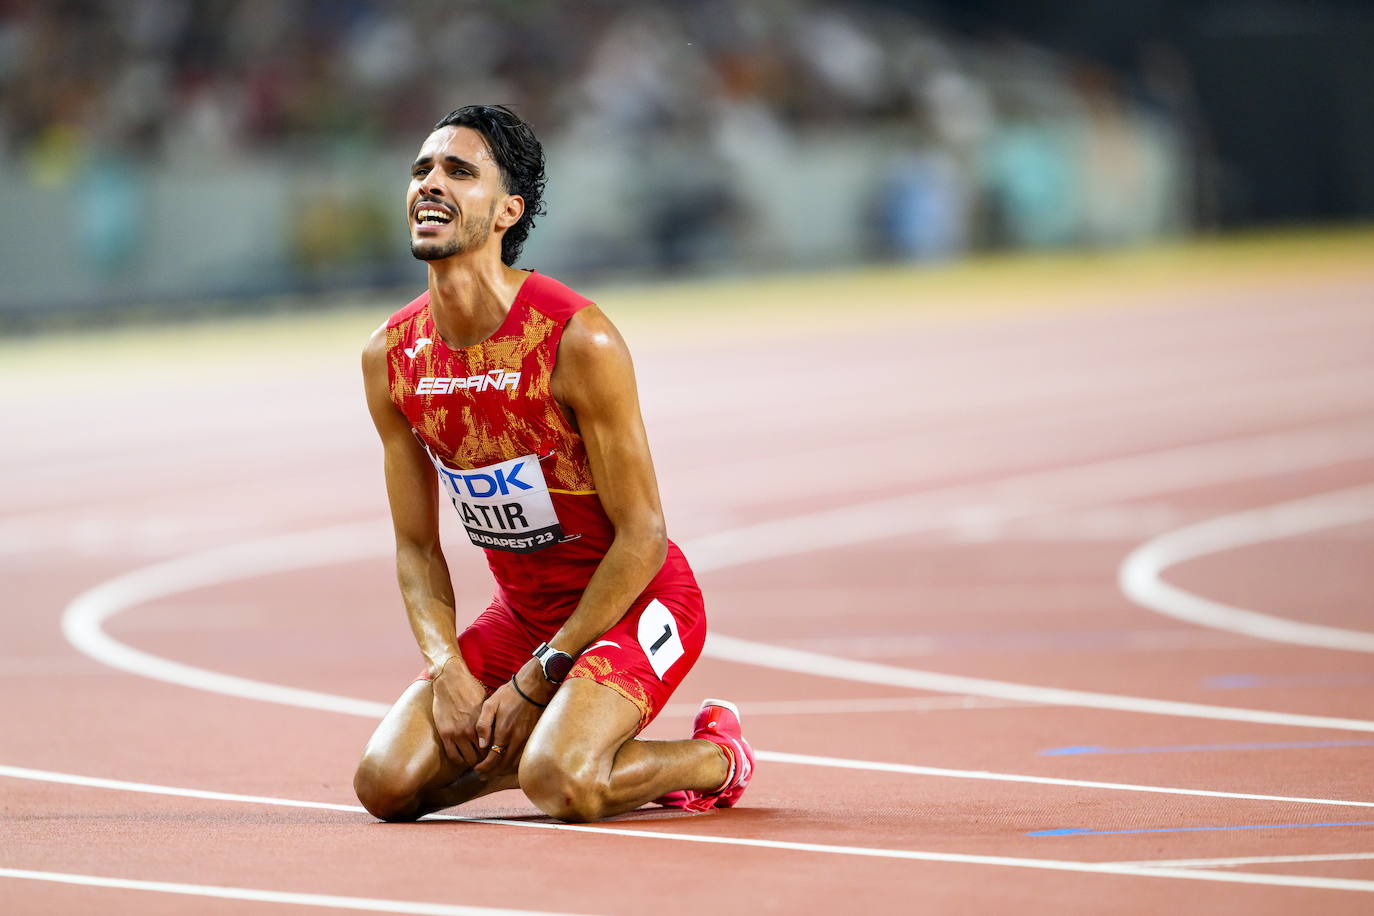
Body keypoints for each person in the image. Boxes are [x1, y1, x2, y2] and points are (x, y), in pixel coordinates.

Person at [352, 105, 754, 823]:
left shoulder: (578, 338)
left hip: (637, 603)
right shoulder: (392, 357)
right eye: (421, 170)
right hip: (524, 615)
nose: (430, 184)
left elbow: (643, 536)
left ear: (508, 210)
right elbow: (415, 545)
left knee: (563, 784)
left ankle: (716, 757)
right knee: (386, 785)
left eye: (458, 171)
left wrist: (541, 676)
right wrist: (447, 665)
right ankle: (549, 744)